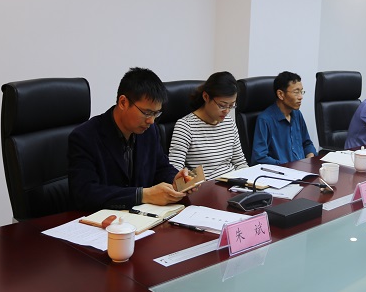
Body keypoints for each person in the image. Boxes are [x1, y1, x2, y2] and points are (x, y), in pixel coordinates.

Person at [68, 67, 192, 212]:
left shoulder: (150, 131)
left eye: (156, 113)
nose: (151, 121)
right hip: (102, 219)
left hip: (142, 216)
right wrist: (142, 195)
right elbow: (85, 194)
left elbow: (160, 167)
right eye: (147, 113)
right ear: (123, 102)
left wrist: (176, 179)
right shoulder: (85, 136)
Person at [169, 71, 248, 179]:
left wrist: (251, 181)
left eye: (231, 106)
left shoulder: (229, 123)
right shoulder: (185, 127)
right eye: (222, 105)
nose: (227, 111)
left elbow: (240, 163)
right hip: (205, 186)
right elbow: (175, 171)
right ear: (206, 97)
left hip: (233, 183)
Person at [251, 71, 317, 165]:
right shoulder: (265, 120)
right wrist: (286, 166)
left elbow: (307, 143)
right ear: (280, 94)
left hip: (302, 169)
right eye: (296, 92)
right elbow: (259, 158)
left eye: (301, 92)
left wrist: (310, 158)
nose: (300, 97)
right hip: (282, 171)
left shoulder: (297, 114)